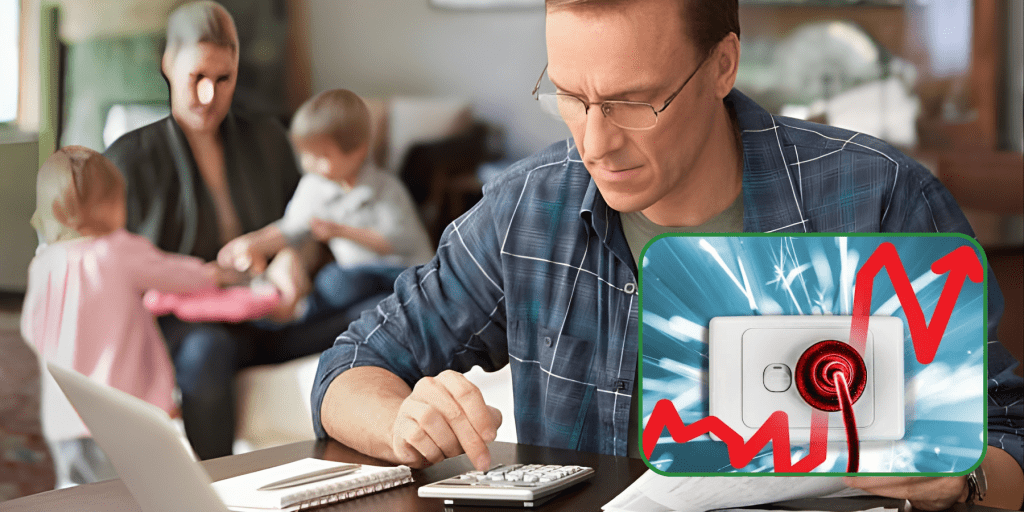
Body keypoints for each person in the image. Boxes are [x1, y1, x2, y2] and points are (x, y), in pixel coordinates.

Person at [312, 0, 1023, 509]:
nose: (594, 142)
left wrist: (961, 479)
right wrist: (400, 420)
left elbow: (1012, 436)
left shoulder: (880, 201)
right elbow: (349, 367)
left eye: (633, 101)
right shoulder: (527, 211)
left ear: (722, 65)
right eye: (569, 94)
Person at [103, 1, 365, 460]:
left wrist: (291, 261)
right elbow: (113, 274)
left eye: (223, 79)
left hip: (269, 314)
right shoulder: (129, 160)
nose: (208, 96)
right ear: (168, 63)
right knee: (207, 352)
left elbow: (304, 231)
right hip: (187, 326)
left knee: (381, 301)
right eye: (196, 78)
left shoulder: (267, 139)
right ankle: (215, 490)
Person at [21, 147, 239, 487]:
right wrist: (215, 274)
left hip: (64, 415)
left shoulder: (43, 264)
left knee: (79, 495)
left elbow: (31, 329)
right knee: (141, 492)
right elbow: (172, 273)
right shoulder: (117, 250)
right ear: (111, 205)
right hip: (122, 414)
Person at [218, 89, 434, 319]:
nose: (309, 164)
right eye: (304, 154)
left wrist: (339, 231)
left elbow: (396, 241)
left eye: (321, 156)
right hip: (358, 279)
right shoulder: (314, 185)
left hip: (402, 272)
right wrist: (254, 243)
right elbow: (291, 227)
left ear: (357, 152)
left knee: (336, 282)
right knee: (344, 302)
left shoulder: (385, 188)